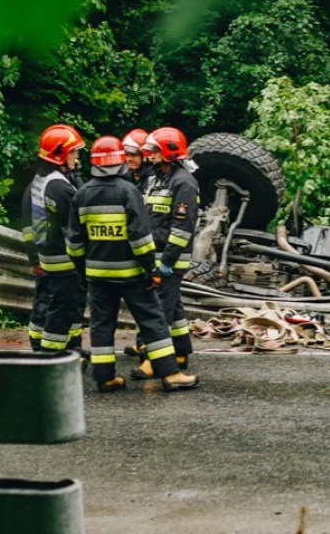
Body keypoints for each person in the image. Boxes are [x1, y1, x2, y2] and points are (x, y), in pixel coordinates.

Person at [66, 135, 199, 393]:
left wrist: (83, 272)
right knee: (153, 320)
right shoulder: (128, 191)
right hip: (131, 274)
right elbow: (140, 238)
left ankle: (104, 378)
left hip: (97, 275)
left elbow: (74, 242)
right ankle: (170, 375)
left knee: (101, 325)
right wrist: (151, 268)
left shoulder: (82, 193)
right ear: (119, 161)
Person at [130, 127, 199, 380]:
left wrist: (166, 263)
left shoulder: (184, 183)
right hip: (156, 255)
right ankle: (180, 352)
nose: (150, 154)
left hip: (170, 259)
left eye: (155, 150)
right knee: (173, 306)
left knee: (159, 311)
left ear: (170, 152)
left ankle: (154, 360)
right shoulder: (158, 177)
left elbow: (182, 229)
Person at [21, 124, 86, 355]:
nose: (76, 156)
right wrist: (83, 265)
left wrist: (33, 257)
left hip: (46, 258)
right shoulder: (60, 187)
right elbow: (75, 229)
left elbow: (28, 225)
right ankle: (52, 357)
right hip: (64, 261)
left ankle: (58, 347)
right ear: (60, 154)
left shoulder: (38, 181)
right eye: (73, 152)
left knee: (44, 305)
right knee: (63, 310)